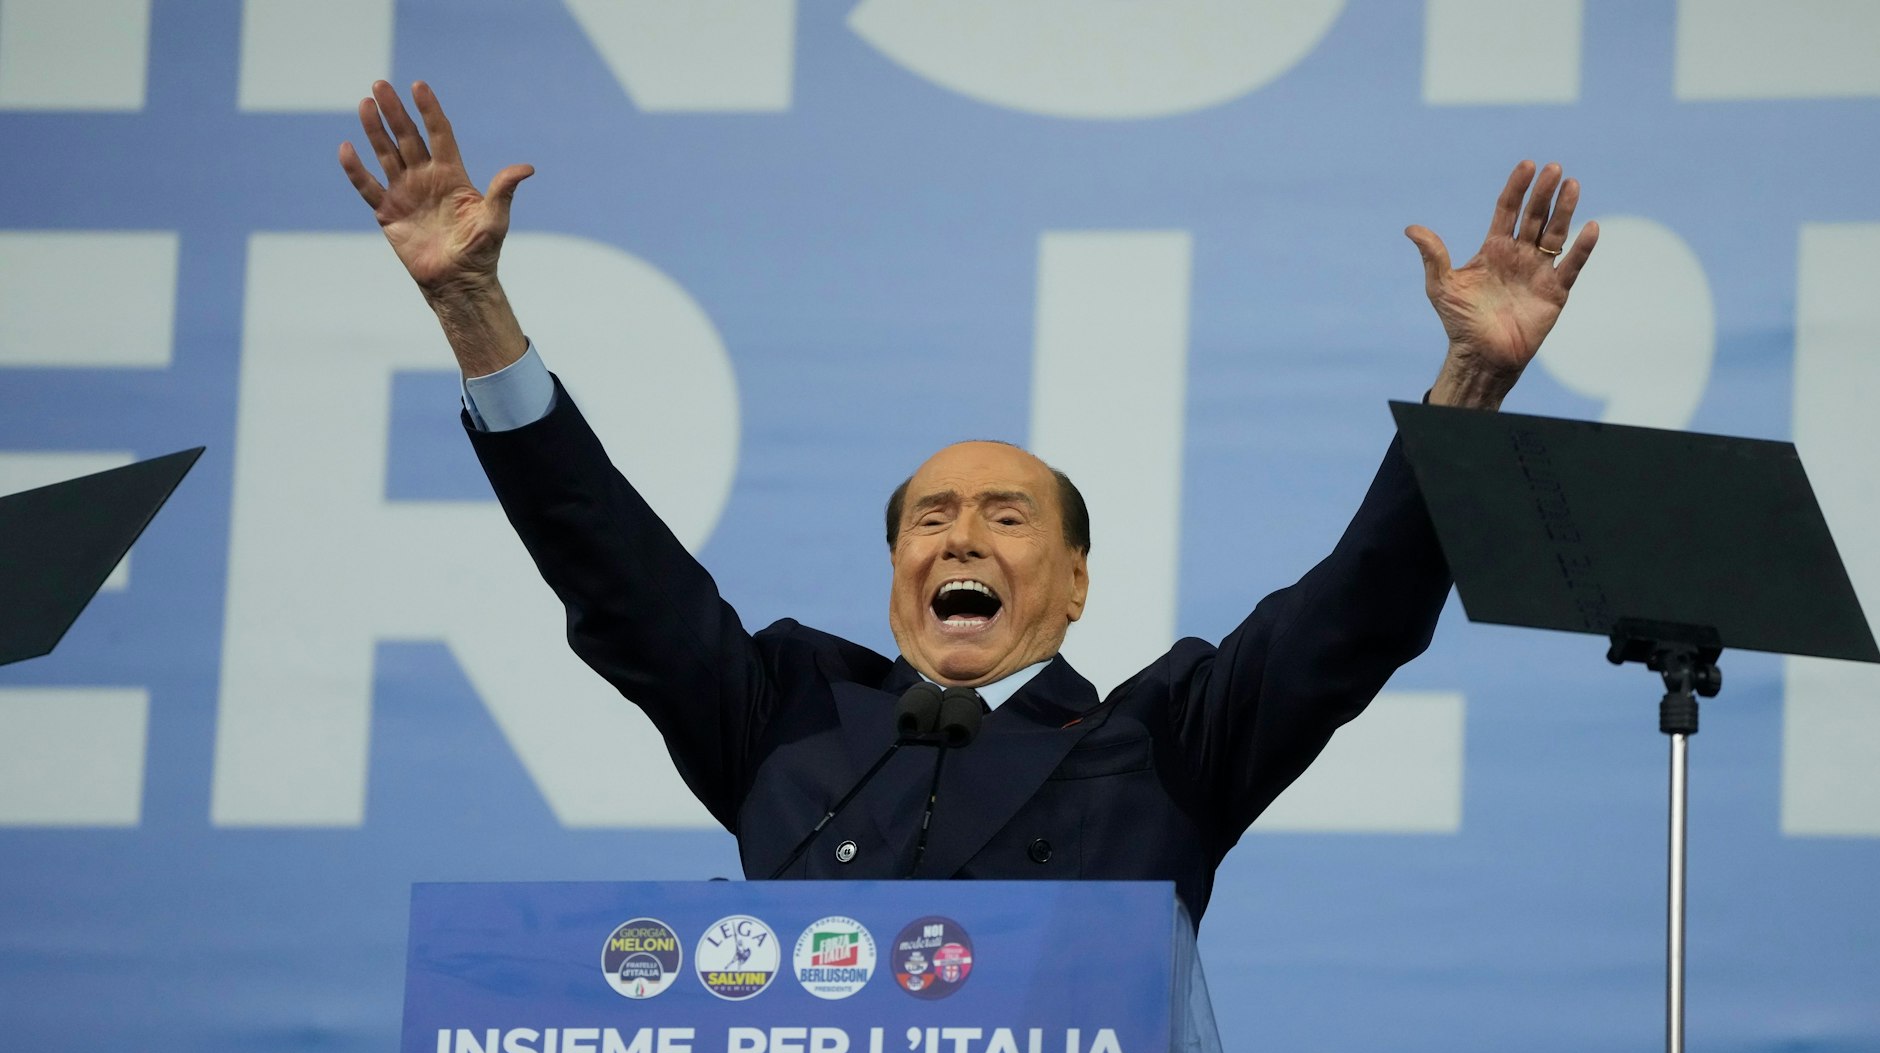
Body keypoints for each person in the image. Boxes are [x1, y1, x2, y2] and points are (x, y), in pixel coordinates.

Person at [339, 81, 1597, 923]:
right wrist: (472, 309)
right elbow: (612, 567)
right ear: (895, 564)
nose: (959, 534)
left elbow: (1355, 611)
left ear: (1075, 580)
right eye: (930, 515)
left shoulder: (1166, 737)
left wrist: (1471, 382)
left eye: (1006, 514)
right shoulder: (782, 712)